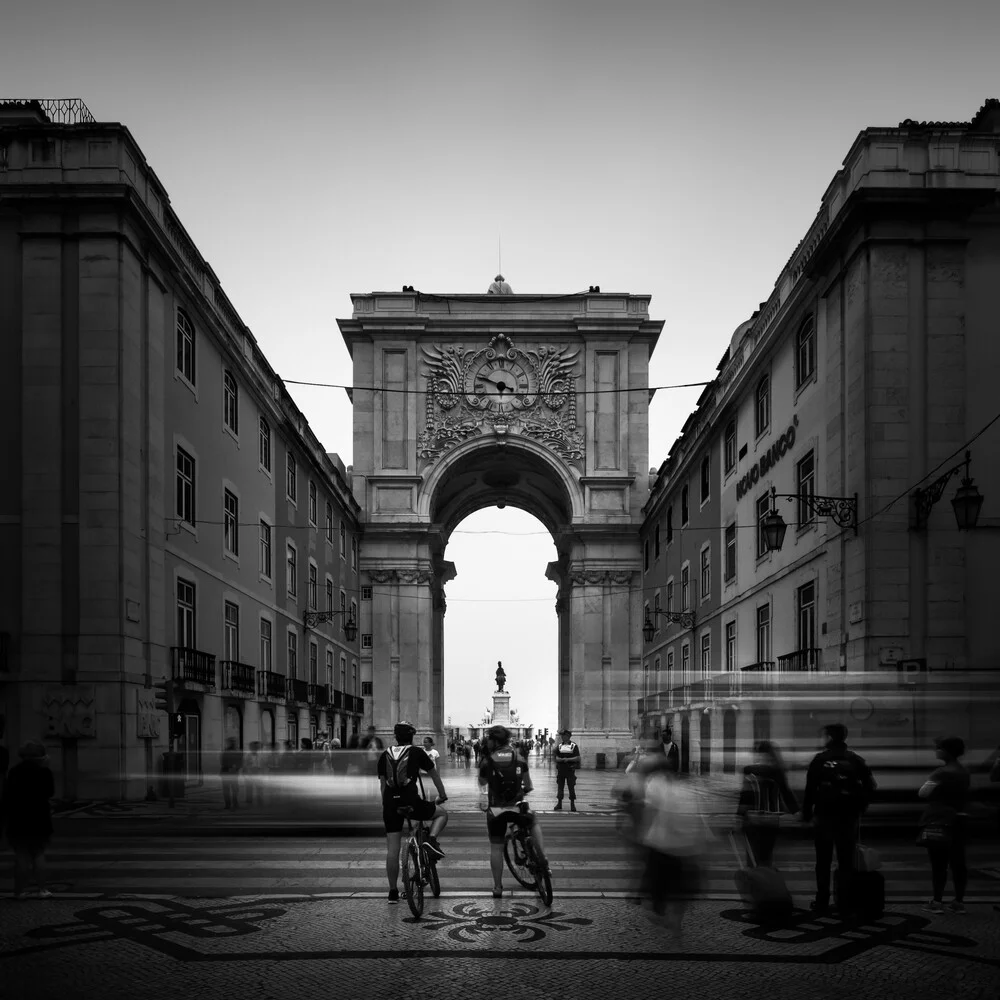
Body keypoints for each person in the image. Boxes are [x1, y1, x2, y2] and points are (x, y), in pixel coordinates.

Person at [800, 723, 877, 914]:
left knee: (823, 860)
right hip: (848, 817)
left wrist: (807, 813)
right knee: (846, 861)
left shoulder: (819, 760)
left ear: (828, 737)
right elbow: (870, 785)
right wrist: (860, 807)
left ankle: (822, 901)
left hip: (824, 816)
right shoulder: (855, 760)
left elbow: (810, 789)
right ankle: (845, 900)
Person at [377, 721, 449, 903]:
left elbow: (383, 787)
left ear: (395, 736)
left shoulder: (384, 754)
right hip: (411, 804)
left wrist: (387, 806)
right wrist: (442, 795)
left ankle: (393, 892)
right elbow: (434, 776)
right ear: (412, 736)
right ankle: (430, 841)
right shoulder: (417, 752)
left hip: (391, 806)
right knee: (442, 814)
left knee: (392, 851)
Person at [478, 724, 547, 898]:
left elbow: (482, 783)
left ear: (493, 741)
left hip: (496, 810)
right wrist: (520, 791)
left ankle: (497, 887)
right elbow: (529, 785)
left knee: (496, 847)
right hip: (517, 807)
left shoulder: (487, 760)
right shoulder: (520, 757)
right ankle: (542, 858)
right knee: (533, 821)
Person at [918, 736, 970, 914]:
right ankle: (958, 902)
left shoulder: (940, 772)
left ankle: (937, 901)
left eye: (939, 748)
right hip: (959, 819)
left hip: (939, 820)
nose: (936, 750)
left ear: (946, 751)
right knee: (958, 862)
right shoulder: (963, 771)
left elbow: (923, 793)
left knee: (939, 863)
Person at [2, 740, 56, 899]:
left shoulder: (14, 771)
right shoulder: (45, 772)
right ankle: (42, 889)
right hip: (39, 818)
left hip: (18, 818)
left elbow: (7, 796)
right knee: (38, 854)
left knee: (21, 856)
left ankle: (18, 892)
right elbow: (49, 793)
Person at [735, 740, 798, 868]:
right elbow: (786, 793)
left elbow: (745, 796)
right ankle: (765, 881)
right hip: (771, 819)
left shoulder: (749, 770)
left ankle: (756, 882)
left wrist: (739, 816)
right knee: (766, 856)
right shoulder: (777, 771)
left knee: (752, 857)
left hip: (753, 819)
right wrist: (797, 811)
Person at [553, 729, 581, 811]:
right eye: (562, 736)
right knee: (560, 787)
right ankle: (559, 803)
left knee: (571, 787)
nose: (562, 737)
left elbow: (578, 757)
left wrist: (568, 760)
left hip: (570, 770)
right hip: (561, 770)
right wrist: (560, 760)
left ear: (568, 736)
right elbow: (556, 757)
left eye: (563, 736)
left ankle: (572, 804)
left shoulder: (573, 745)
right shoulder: (560, 746)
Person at [220, 738, 243, 809]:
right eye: (232, 742)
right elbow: (223, 762)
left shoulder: (227, 752)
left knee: (232, 789)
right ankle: (231, 804)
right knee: (231, 789)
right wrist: (234, 768)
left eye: (233, 742)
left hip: (230, 772)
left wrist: (235, 768)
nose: (233, 744)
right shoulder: (234, 752)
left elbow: (240, 762)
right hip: (229, 772)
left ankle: (231, 804)